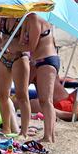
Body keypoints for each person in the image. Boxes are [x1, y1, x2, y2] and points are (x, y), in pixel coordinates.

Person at [0, 16, 35, 137]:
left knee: (22, 96)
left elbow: (31, 44)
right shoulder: (2, 15)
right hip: (4, 56)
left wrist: (14, 47)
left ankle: (24, 131)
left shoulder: (26, 18)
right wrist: (0, 44)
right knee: (2, 95)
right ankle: (6, 128)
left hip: (19, 57)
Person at [29, 17, 61, 146]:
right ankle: (50, 135)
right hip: (43, 60)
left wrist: (13, 46)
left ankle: (48, 136)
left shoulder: (35, 18)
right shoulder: (33, 18)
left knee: (46, 101)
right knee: (44, 101)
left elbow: (32, 45)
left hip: (46, 60)